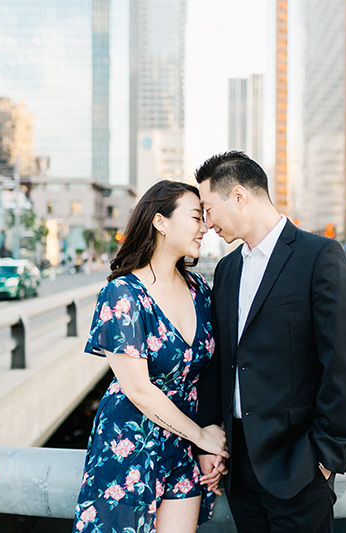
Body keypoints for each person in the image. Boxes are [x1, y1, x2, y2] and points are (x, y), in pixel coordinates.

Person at [195, 151, 346, 533]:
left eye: (208, 209)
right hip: (239, 470)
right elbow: (220, 361)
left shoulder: (319, 256)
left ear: (239, 196)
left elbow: (344, 363)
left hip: (299, 466)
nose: (207, 224)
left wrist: (324, 458)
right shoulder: (227, 269)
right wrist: (211, 440)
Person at [73, 180, 228, 533]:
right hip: (129, 442)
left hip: (184, 448)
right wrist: (201, 437)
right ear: (160, 222)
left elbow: (211, 372)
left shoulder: (199, 289)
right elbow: (138, 389)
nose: (204, 227)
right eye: (195, 217)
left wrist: (208, 436)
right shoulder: (123, 293)